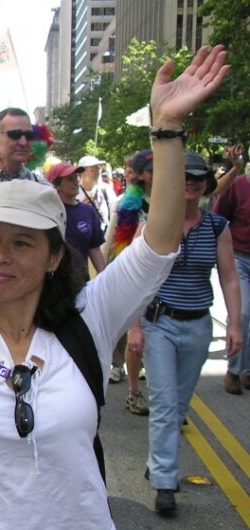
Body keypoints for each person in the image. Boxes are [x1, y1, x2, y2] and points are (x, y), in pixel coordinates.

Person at [0, 47, 228, 528]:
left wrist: (168, 129)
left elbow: (158, 241)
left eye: (21, 242)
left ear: (55, 257)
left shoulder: (90, 316)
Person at [143, 150, 241, 514]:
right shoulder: (153, 222)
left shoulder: (217, 227)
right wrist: (135, 327)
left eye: (198, 178)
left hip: (198, 325)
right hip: (161, 324)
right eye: (185, 177)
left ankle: (157, 463)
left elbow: (230, 277)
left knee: (179, 405)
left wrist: (234, 323)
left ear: (205, 185)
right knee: (166, 406)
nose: (191, 183)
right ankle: (165, 482)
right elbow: (139, 280)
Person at [104, 150, 155, 413]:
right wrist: (107, 274)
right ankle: (134, 391)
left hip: (164, 278)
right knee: (133, 331)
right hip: (132, 274)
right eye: (151, 170)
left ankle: (168, 400)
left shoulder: (173, 200)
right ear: (140, 174)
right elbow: (113, 241)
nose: (156, 175)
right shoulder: (127, 203)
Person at [213, 143, 250, 394]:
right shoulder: (239, 185)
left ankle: (246, 370)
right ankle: (234, 370)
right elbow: (218, 217)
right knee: (244, 312)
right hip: (239, 255)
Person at [46, 161, 106, 276]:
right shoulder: (48, 212)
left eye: (76, 178)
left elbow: (94, 249)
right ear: (57, 185)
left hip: (80, 282)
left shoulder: (88, 211)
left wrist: (105, 277)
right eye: (69, 179)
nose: (76, 182)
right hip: (51, 284)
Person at [77, 155, 115, 232]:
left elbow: (115, 216)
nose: (97, 172)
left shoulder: (106, 190)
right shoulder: (74, 194)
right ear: (82, 172)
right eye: (92, 170)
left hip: (104, 238)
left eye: (98, 169)